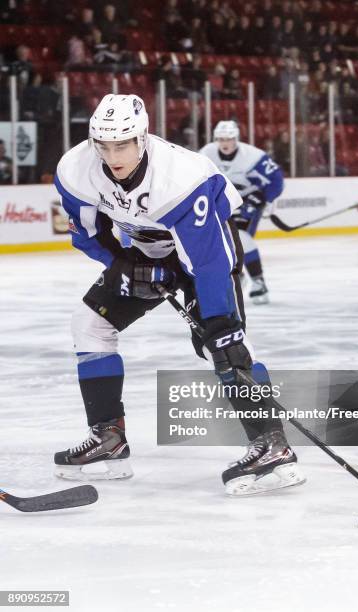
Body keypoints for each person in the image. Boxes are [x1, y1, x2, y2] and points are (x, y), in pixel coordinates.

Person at [53, 94, 304, 495]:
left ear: (143, 138)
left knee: (223, 346)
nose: (113, 156)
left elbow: (208, 263)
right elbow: (87, 233)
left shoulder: (181, 177)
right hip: (145, 252)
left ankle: (272, 445)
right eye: (104, 146)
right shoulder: (76, 170)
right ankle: (108, 438)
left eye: (123, 145)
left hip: (204, 258)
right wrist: (124, 265)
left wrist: (221, 323)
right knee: (90, 324)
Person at [200, 121, 284, 304]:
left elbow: (276, 179)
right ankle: (238, 275)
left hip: (248, 198)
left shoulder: (253, 156)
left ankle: (258, 282)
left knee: (241, 235)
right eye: (221, 139)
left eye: (229, 139)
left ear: (236, 138)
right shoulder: (207, 153)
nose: (225, 143)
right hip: (222, 200)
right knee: (219, 240)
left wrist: (266, 199)